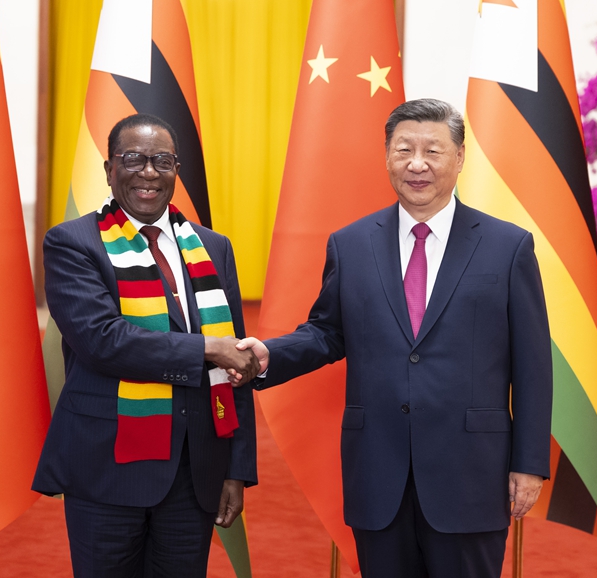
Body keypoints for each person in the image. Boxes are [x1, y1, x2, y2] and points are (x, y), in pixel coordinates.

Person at [235, 98, 552, 578]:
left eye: (433, 151)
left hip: (470, 474)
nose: (417, 164)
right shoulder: (351, 244)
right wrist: (268, 355)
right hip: (378, 473)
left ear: (459, 157)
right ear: (387, 156)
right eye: (404, 150)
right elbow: (327, 332)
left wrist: (528, 463)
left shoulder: (508, 247)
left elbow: (533, 367)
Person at [33, 113, 258, 578]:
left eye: (162, 161)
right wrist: (205, 349)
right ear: (109, 169)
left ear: (177, 170)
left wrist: (236, 468)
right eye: (133, 159)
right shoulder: (73, 243)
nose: (149, 172)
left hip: (194, 471)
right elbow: (103, 341)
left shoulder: (213, 248)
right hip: (108, 467)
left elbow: (235, 362)